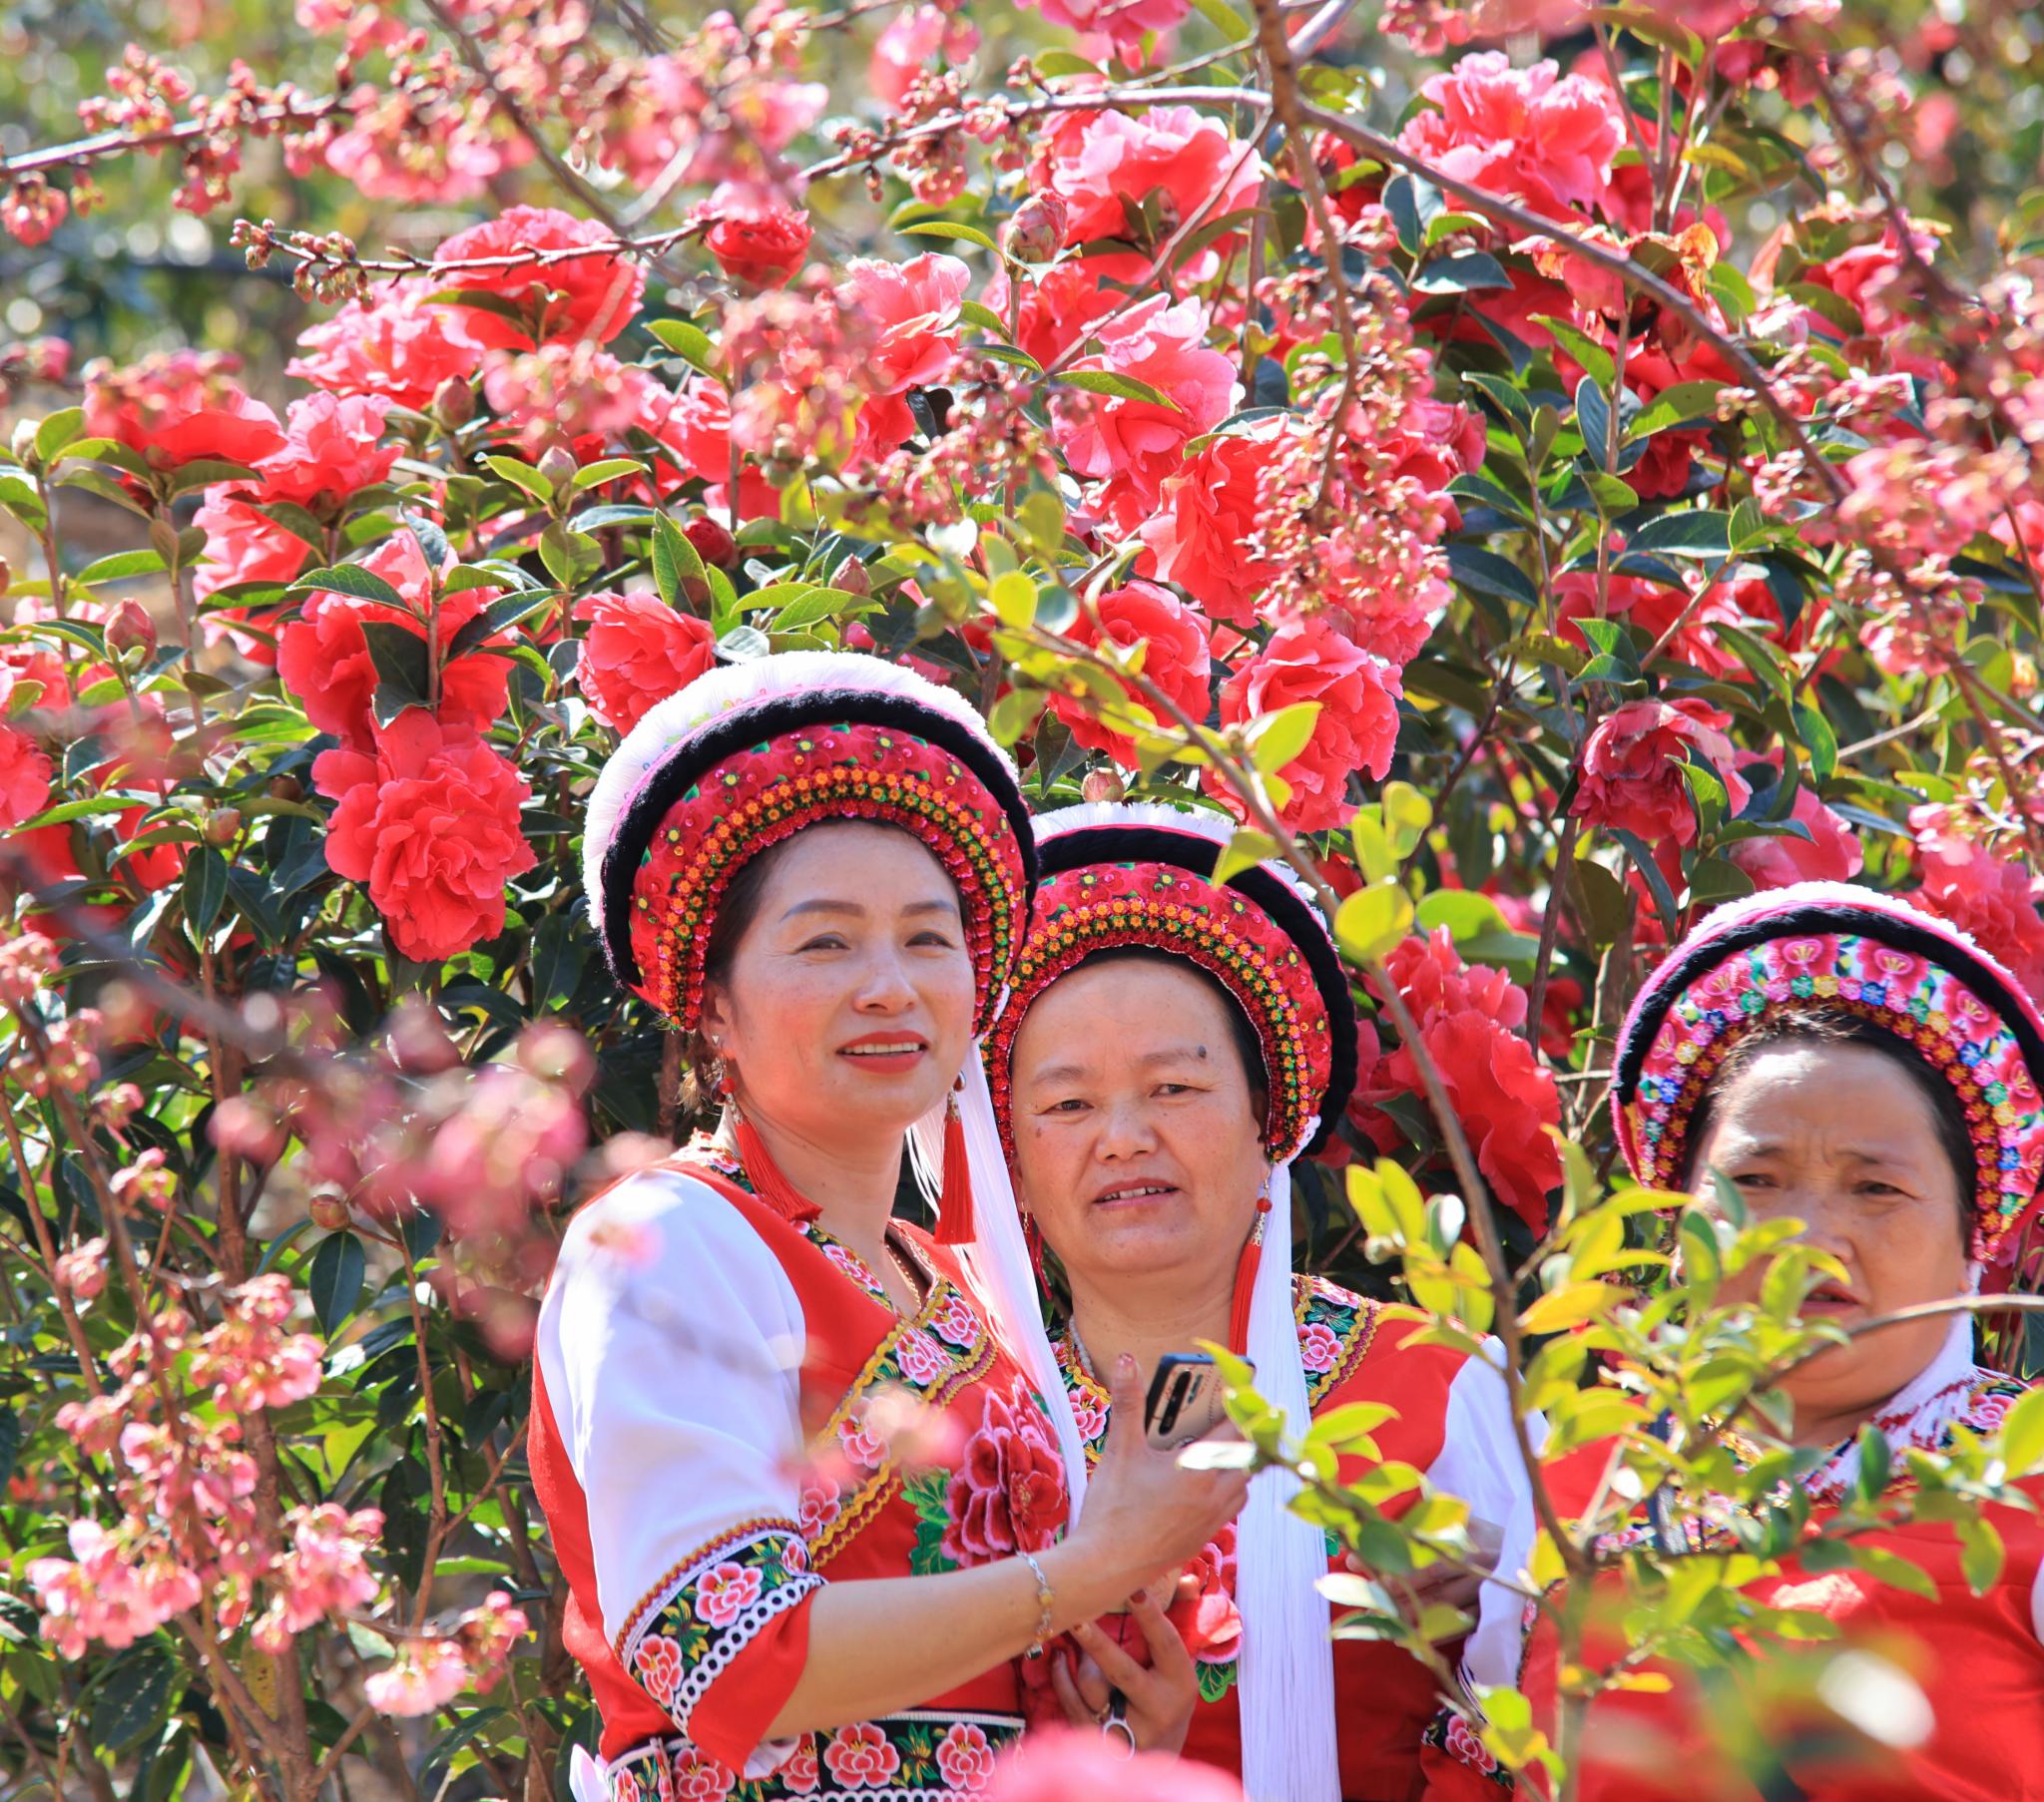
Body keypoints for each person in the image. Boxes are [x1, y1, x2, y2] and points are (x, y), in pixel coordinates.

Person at [530, 656, 1250, 1802]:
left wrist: (1120, 1736)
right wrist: (1096, 1562)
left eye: (927, 940)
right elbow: (724, 1660)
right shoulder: (670, 1238)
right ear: (712, 1001)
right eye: (825, 943)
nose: (890, 988)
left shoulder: (965, 1299)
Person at [1425, 878, 2044, 1800]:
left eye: (1875, 1189)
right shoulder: (1582, 1481)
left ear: (1970, 1237)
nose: (1809, 1237)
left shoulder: (2025, 1481)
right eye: (1757, 1180)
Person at [988, 801, 1533, 1802]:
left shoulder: (1435, 1387)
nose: (1120, 1137)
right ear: (1010, 1163)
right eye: (1066, 1104)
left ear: (1263, 1121)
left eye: (1174, 1088)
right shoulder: (977, 1422)